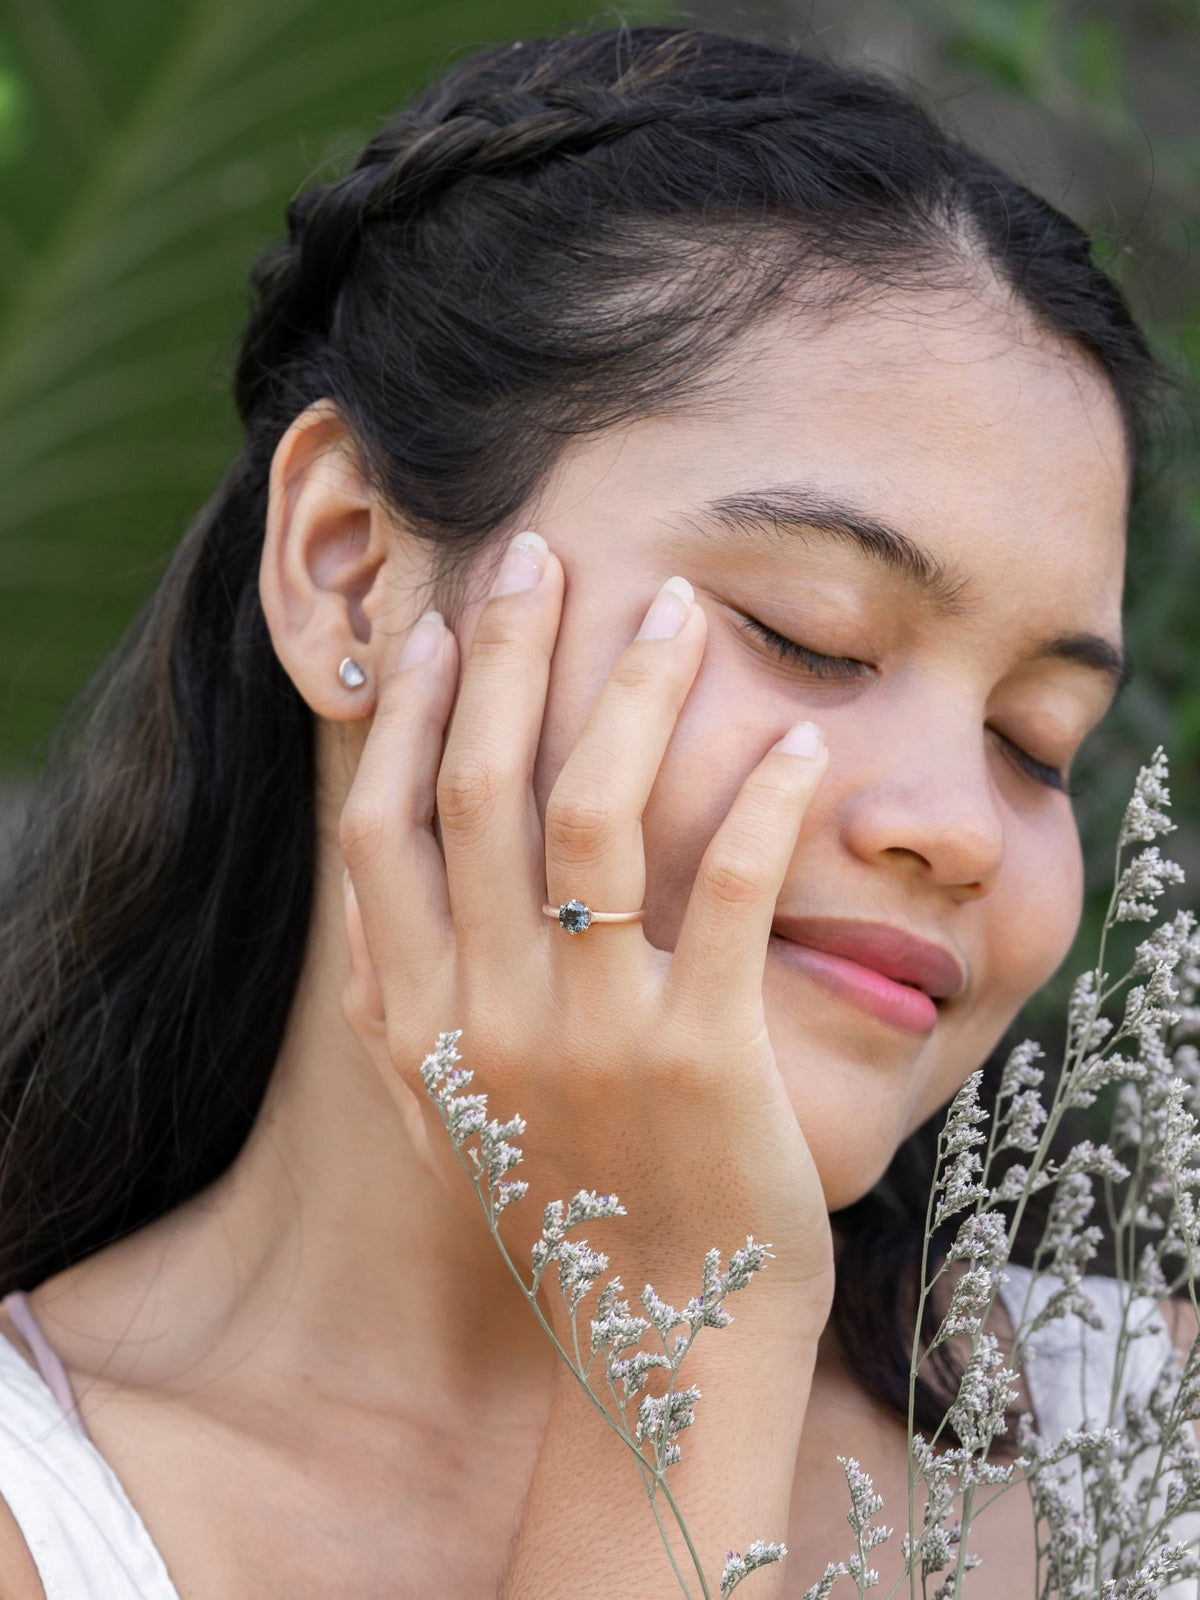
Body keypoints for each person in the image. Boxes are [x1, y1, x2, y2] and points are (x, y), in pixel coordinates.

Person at [0, 24, 1181, 1599]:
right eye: (812, 636)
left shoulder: (1144, 1454)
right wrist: (684, 1326)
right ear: (350, 564)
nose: (958, 826)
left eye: (1038, 741)